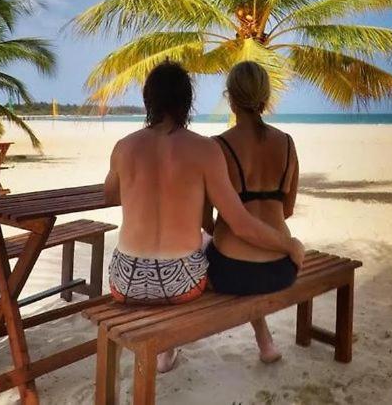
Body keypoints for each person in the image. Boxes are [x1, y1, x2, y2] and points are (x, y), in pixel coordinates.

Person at [104, 61, 304, 373]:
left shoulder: (123, 147)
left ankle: (168, 352)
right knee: (210, 244)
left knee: (215, 243)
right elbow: (247, 221)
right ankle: (262, 339)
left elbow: (111, 195)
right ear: (187, 102)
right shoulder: (205, 149)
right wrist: (290, 245)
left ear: (148, 100)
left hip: (125, 282)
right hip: (184, 283)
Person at [203, 61, 299, 363]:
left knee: (191, 253)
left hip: (231, 273)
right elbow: (287, 209)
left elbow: (205, 222)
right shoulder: (286, 143)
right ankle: (264, 340)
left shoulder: (217, 147)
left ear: (230, 98)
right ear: (265, 98)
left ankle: (166, 351)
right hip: (283, 268)